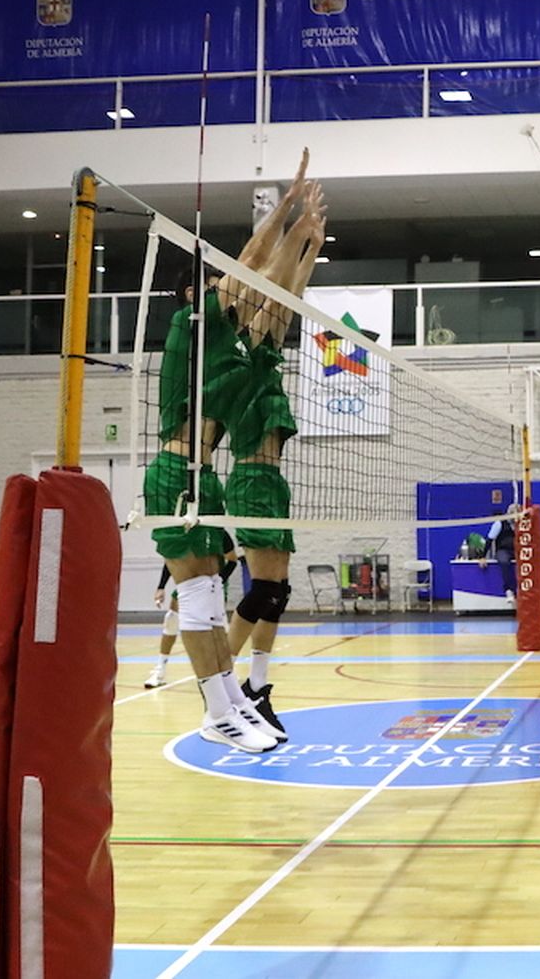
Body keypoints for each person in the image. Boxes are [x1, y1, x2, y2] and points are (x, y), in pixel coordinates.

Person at [140, 150, 315, 752]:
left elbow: (278, 296)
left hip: (204, 477)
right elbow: (250, 265)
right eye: (219, 284)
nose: (232, 290)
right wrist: (285, 209)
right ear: (201, 291)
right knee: (199, 596)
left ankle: (233, 701)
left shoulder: (238, 347)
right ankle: (218, 711)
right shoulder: (194, 324)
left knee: (213, 599)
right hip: (175, 472)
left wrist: (305, 243)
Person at [220, 179, 328, 738]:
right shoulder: (241, 354)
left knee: (278, 592)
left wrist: (311, 244)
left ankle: (258, 690)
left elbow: (289, 294)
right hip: (250, 482)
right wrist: (291, 223)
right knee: (262, 591)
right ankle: (221, 691)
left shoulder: (266, 352)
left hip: (272, 484)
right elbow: (267, 280)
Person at [145, 535, 238, 690]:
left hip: (213, 585)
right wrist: (161, 587)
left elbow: (232, 560)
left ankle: (224, 673)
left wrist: (219, 580)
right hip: (188, 585)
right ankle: (160, 670)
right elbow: (170, 560)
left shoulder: (218, 534)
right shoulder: (182, 531)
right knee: (171, 620)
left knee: (219, 629)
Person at [478, 517, 516, 604]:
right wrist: (482, 557)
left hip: (519, 550)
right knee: (504, 561)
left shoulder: (524, 524)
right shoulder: (499, 523)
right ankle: (509, 591)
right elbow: (489, 540)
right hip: (503, 550)